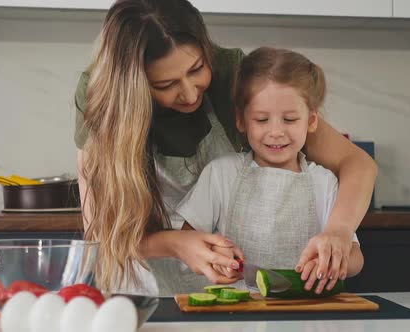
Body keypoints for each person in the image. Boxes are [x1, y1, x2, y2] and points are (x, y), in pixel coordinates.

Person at [74, 0, 377, 295]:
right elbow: (101, 232)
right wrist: (176, 243)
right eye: (166, 85)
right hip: (145, 285)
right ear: (134, 84)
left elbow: (358, 164)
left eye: (197, 69)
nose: (190, 94)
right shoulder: (101, 97)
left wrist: (338, 233)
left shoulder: (236, 75)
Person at [176, 47, 364, 293]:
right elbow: (187, 239)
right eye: (262, 120)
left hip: (306, 313)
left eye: (289, 120)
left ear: (311, 121)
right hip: (236, 313)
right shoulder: (221, 174)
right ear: (241, 121)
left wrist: (333, 262)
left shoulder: (324, 181)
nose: (276, 132)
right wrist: (215, 253)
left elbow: (356, 258)